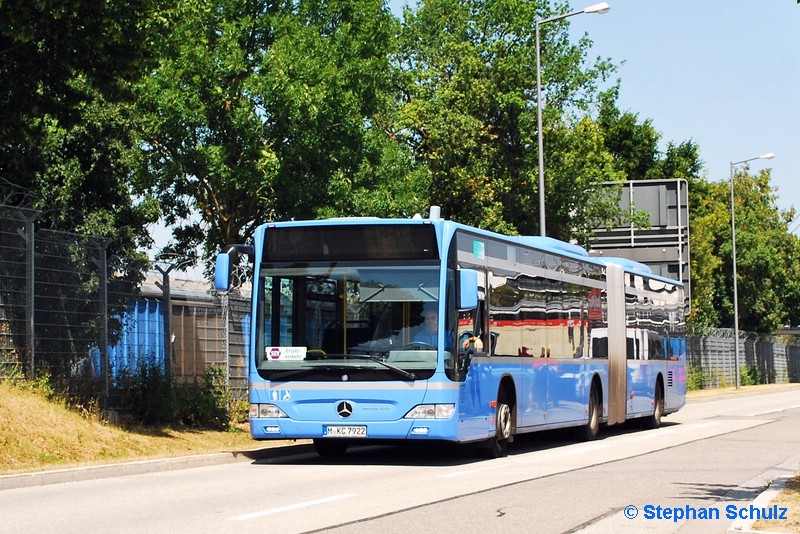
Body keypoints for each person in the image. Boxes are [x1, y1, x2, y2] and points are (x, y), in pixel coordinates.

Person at [414, 305, 483, 351]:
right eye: (427, 319)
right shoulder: (419, 336)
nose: (430, 321)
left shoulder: (448, 335)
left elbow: (463, 341)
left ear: (438, 319)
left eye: (433, 318)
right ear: (425, 321)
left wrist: (476, 339)